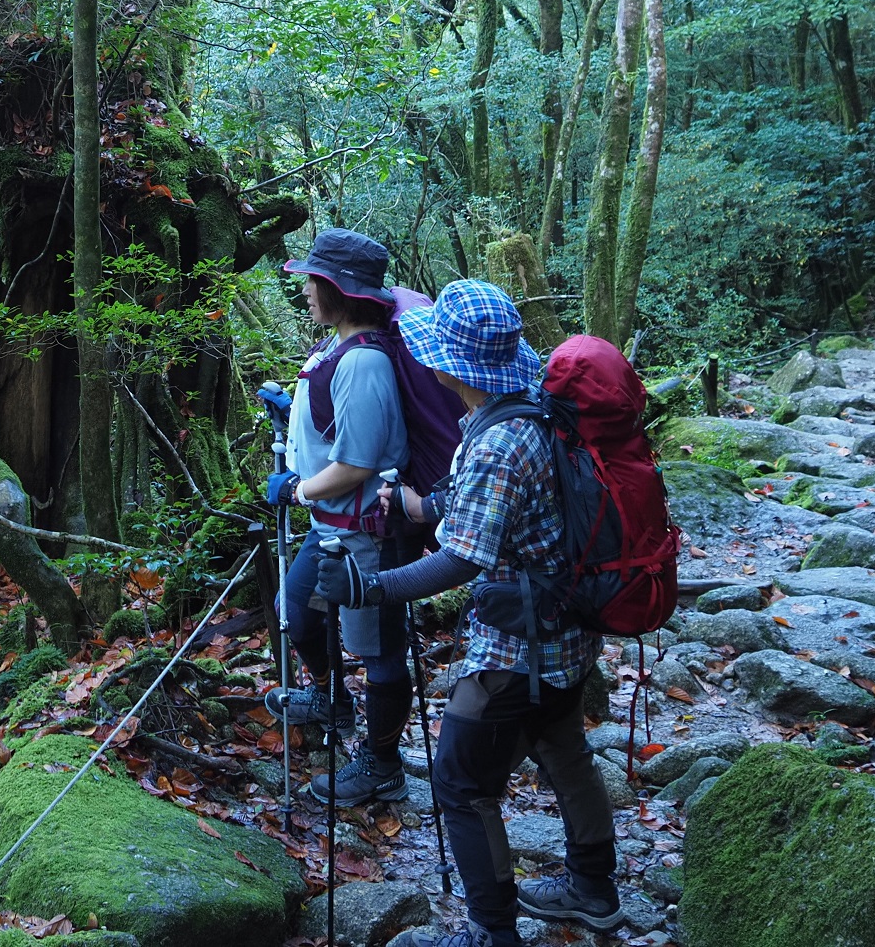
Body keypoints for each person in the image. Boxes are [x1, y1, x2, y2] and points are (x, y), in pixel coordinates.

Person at [315, 279, 621, 947]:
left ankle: (491, 931)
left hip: (518, 648)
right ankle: (595, 887)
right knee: (564, 750)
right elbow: (493, 512)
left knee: (458, 782)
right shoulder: (536, 408)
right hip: (570, 628)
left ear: (450, 365)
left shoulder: (497, 443)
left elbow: (459, 561)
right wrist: (420, 506)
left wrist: (372, 588)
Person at [263, 228, 419, 805]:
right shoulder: (335, 349)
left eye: (312, 281)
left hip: (367, 533)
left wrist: (297, 490)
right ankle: (332, 700)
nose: (304, 290)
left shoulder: (364, 363)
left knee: (378, 650)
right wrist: (293, 409)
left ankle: (382, 764)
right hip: (332, 526)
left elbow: (355, 464)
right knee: (296, 614)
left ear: (336, 288)